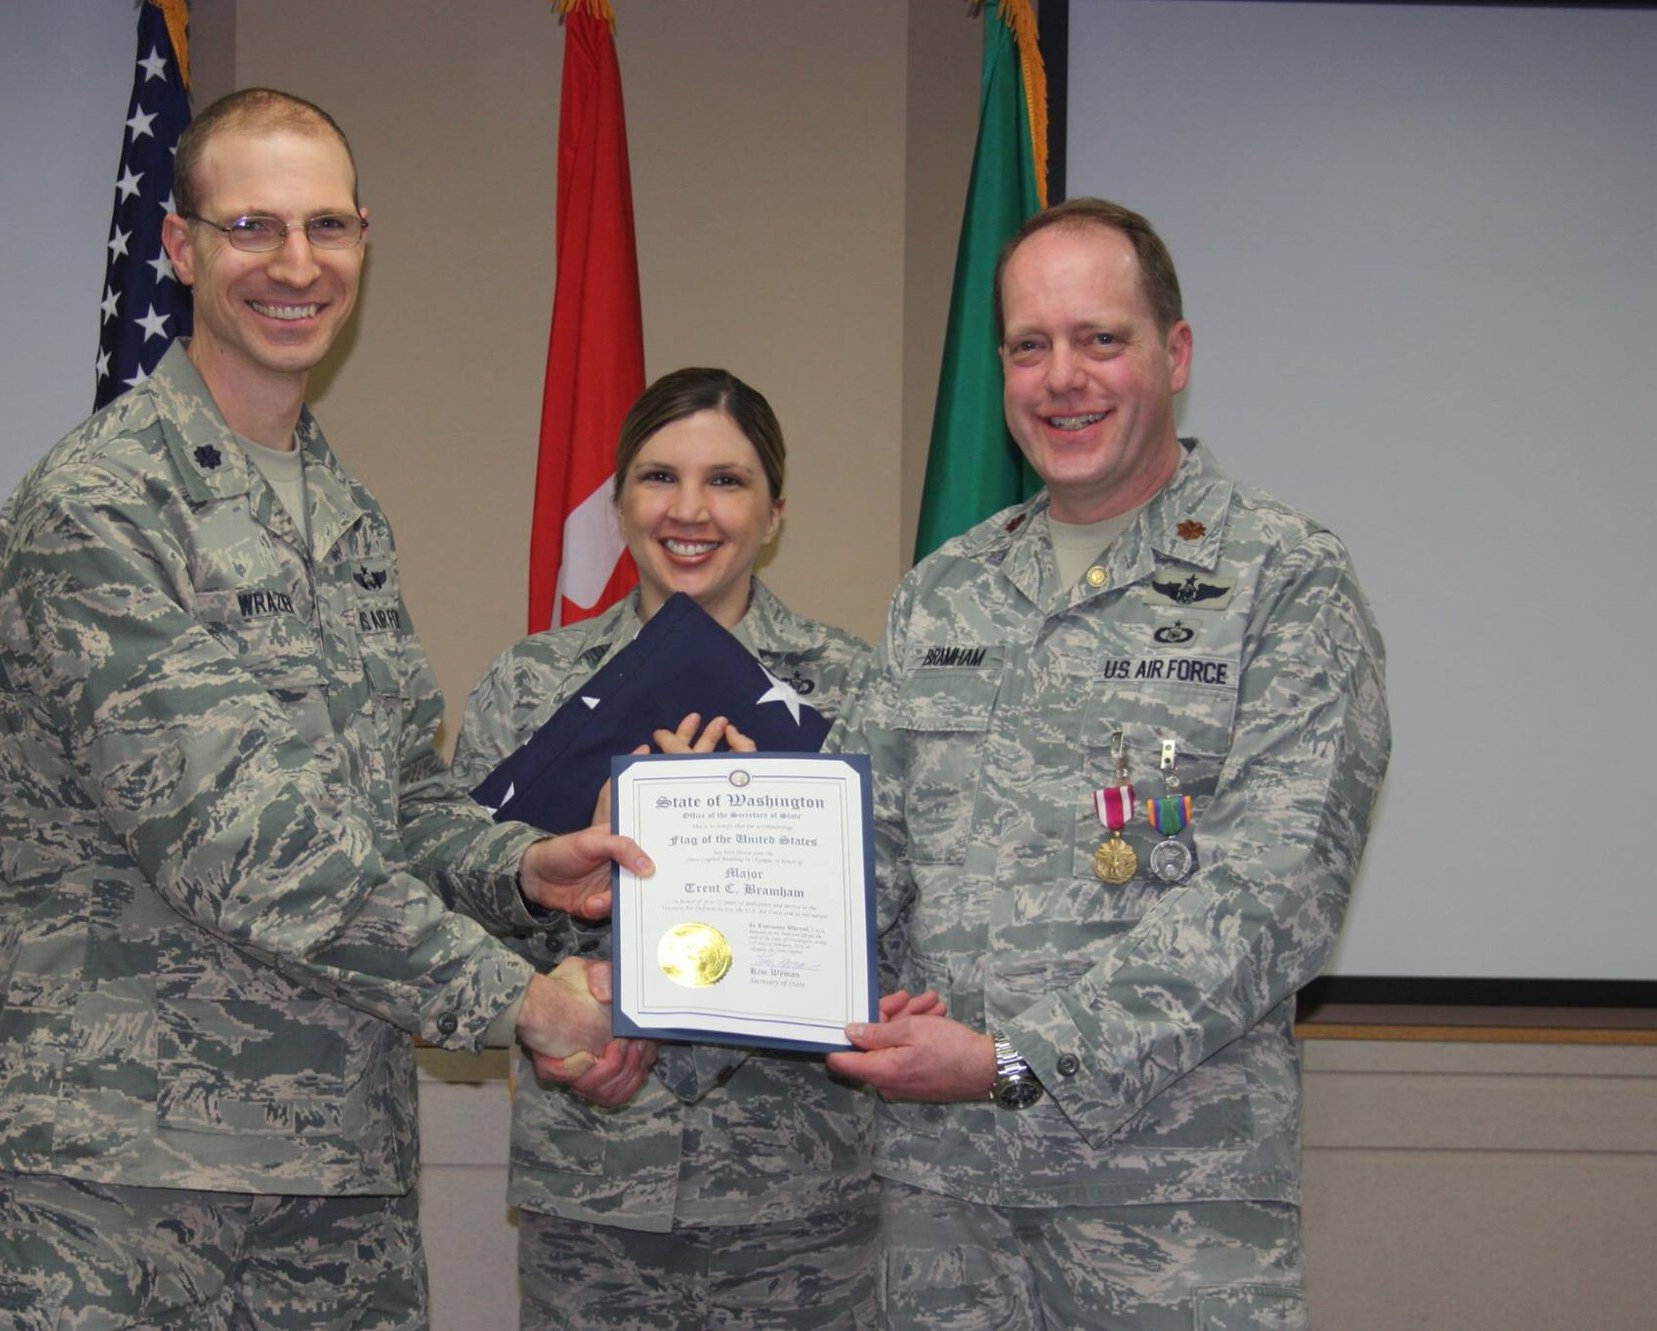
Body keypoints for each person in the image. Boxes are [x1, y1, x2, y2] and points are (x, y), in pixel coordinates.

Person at [0, 88, 647, 1331]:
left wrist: (527, 869)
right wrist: (521, 999)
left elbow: (396, 798)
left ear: (365, 241)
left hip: (338, 1179)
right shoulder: (100, 505)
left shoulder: (340, 511)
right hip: (126, 1181)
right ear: (181, 247)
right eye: (254, 225)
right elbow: (245, 840)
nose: (296, 264)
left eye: (328, 227)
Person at [827, 199, 1391, 1330]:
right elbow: (859, 854)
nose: (1060, 377)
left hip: (1168, 1210)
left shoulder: (1282, 578)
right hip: (944, 1202)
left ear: (1171, 354)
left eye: (1099, 338)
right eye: (1029, 346)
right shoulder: (945, 588)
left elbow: (1273, 896)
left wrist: (1016, 1059)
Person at [451, 367, 881, 1329]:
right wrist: (566, 978)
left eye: (728, 481)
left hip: (799, 1196)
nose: (690, 510)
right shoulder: (532, 688)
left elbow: (901, 915)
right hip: (596, 1186)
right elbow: (456, 907)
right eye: (659, 477)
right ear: (618, 503)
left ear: (776, 512)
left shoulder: (860, 691)